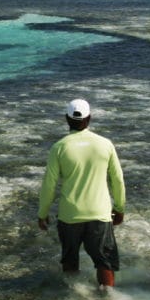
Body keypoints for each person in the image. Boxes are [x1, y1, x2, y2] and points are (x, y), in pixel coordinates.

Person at [38, 98, 126, 288]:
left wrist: (42, 214)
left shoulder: (59, 147)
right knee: (105, 262)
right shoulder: (105, 144)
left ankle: (74, 299)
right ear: (89, 118)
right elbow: (117, 180)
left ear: (67, 119)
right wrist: (119, 208)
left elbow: (49, 186)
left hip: (69, 215)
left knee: (70, 261)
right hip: (99, 214)